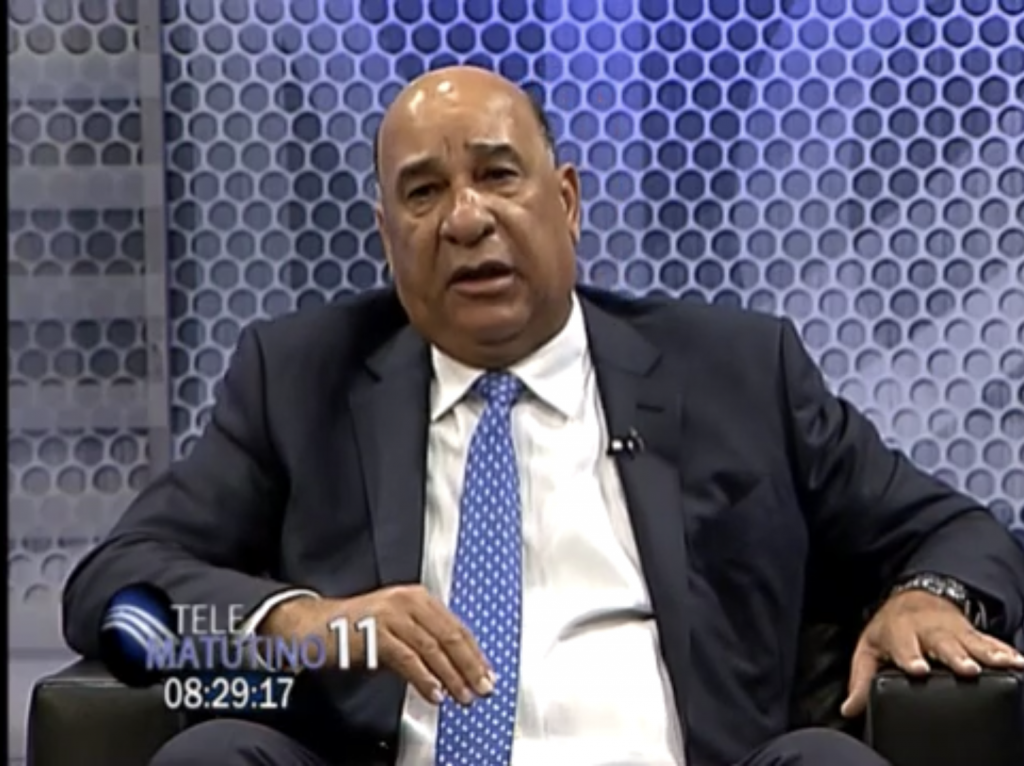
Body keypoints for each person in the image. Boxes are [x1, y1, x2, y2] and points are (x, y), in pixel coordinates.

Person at [63, 66, 1024, 766]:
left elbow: (958, 531)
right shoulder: (299, 379)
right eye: (424, 193)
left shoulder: (736, 371)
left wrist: (926, 595)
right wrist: (307, 622)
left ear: (565, 202)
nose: (466, 220)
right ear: (388, 237)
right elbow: (116, 582)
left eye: (498, 176)